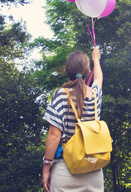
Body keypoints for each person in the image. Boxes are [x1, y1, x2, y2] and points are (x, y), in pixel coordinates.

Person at [42, 46, 104, 192]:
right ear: (88, 72)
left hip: (66, 171)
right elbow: (99, 79)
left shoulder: (61, 94)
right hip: (93, 171)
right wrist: (96, 59)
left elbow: (54, 135)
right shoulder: (95, 95)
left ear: (66, 71)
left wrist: (46, 168)